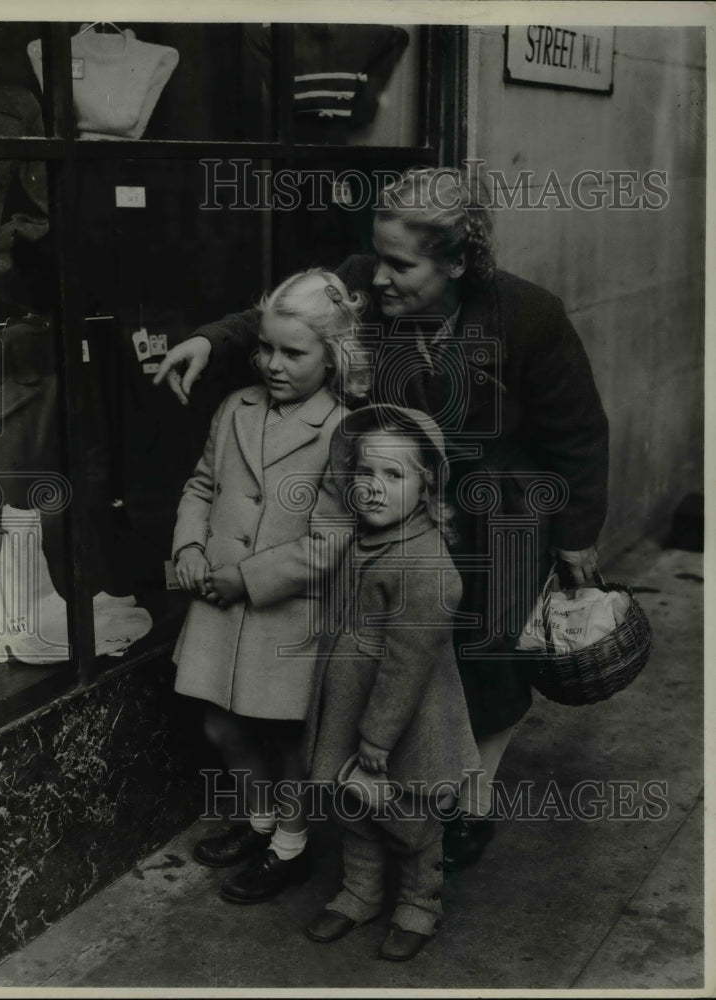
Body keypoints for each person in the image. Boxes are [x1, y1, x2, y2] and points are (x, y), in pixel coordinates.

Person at [157, 166, 610, 870]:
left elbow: (578, 433)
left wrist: (578, 536)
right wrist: (214, 341)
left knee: (488, 669)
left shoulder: (528, 316)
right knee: (415, 663)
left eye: (403, 265)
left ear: (459, 262)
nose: (380, 281)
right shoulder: (365, 282)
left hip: (500, 521)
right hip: (398, 517)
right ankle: (408, 801)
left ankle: (469, 806)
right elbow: (291, 318)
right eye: (379, 258)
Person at [172, 269, 369, 904]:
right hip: (218, 605)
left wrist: (248, 579)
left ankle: (290, 842)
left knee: (289, 740)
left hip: (286, 612)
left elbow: (330, 540)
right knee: (221, 727)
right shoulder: (236, 407)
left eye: (294, 352)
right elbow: (203, 485)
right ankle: (258, 820)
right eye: (266, 348)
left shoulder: (342, 430)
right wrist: (190, 546)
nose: (273, 365)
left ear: (333, 355)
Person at [301, 404, 479, 961]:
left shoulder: (424, 567)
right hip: (354, 700)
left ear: (426, 486)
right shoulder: (368, 540)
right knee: (353, 806)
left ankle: (420, 904)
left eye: (394, 475)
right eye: (365, 473)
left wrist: (377, 737)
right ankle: (360, 891)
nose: (373, 488)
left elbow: (407, 665)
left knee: (409, 818)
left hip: (407, 716)